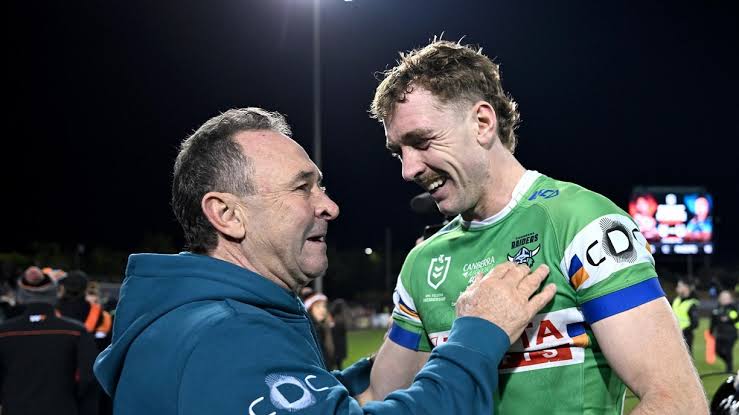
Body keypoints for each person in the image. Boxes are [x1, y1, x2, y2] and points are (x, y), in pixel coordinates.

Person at [93, 107, 556, 414]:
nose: (329, 206)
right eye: (302, 188)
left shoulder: (194, 321)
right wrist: (475, 338)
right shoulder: (224, 335)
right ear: (227, 215)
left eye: (322, 185)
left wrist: (407, 350)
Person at [365, 39, 707, 414]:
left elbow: (679, 402)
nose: (408, 169)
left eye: (422, 141)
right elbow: (380, 399)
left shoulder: (582, 223)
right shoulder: (422, 264)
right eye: (399, 152)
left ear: (482, 123)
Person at [0, 266, 99, 415]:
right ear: (55, 293)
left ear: (21, 296)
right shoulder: (75, 331)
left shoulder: (4, 332)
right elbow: (88, 378)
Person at [303, 291, 336, 369]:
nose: (322, 310)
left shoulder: (323, 327)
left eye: (324, 306)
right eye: (317, 307)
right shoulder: (309, 330)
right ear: (310, 309)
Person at [711, 290, 738, 373]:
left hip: (731, 334)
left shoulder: (733, 307)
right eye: (722, 298)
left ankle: (729, 369)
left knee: (728, 351)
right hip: (720, 334)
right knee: (717, 351)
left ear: (730, 299)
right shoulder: (716, 309)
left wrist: (729, 318)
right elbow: (713, 321)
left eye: (726, 298)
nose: (724, 299)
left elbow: (736, 318)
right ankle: (728, 362)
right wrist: (711, 331)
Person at [673, 277, 701, 354]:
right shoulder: (676, 300)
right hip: (674, 333)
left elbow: (695, 324)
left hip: (686, 336)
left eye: (679, 286)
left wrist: (684, 331)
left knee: (686, 357)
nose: (677, 288)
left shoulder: (692, 304)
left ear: (686, 288)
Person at [330, 299, 350, 370]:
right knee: (337, 364)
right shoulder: (339, 318)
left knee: (337, 364)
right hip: (337, 344)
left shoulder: (335, 317)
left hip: (337, 343)